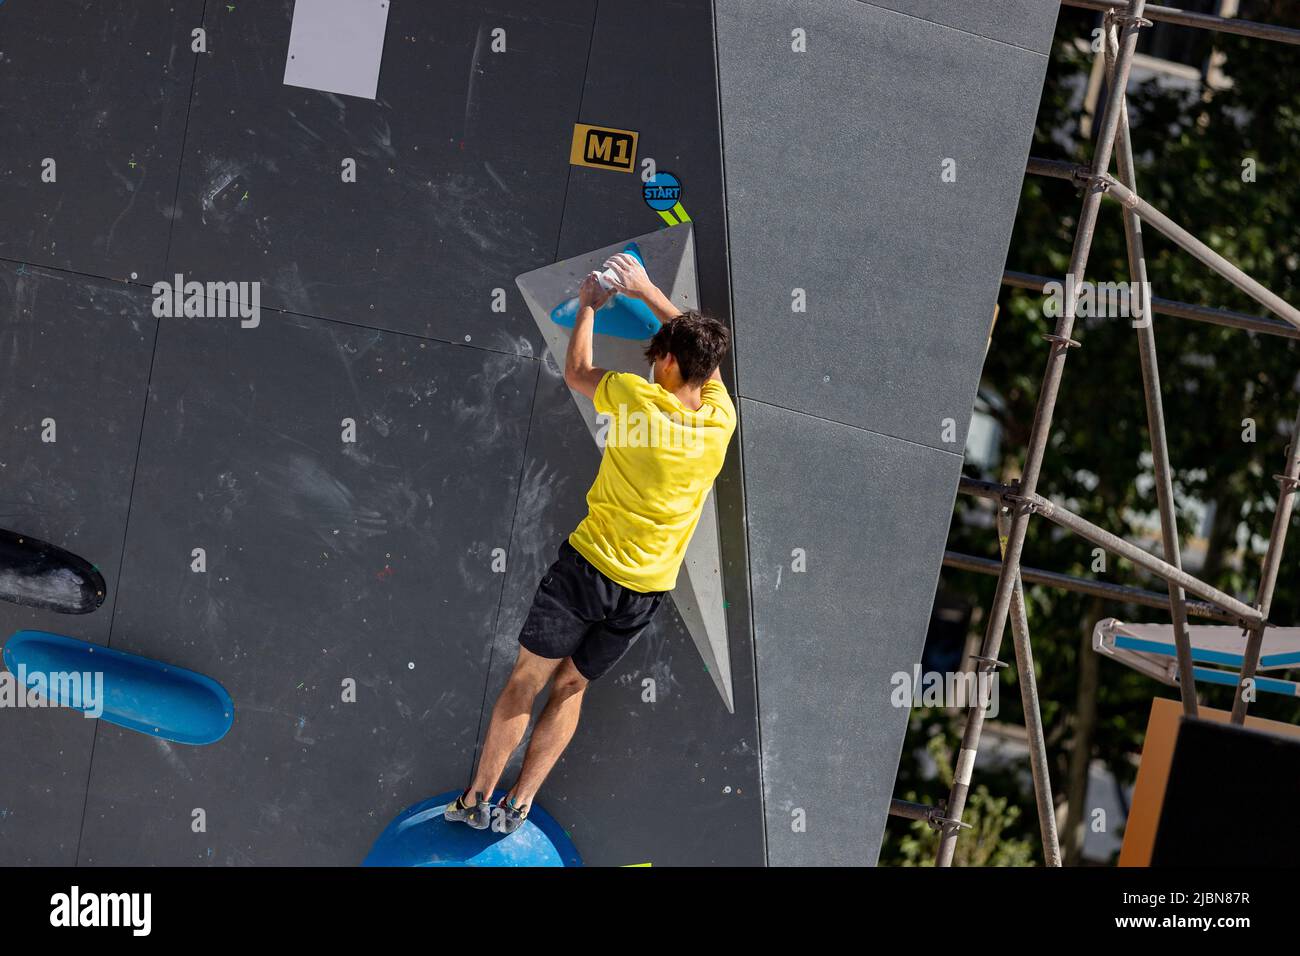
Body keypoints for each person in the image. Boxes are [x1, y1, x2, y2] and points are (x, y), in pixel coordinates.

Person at [445, 252, 737, 831]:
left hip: (589, 569)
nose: (653, 365)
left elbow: (578, 370)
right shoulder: (719, 419)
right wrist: (651, 292)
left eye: (660, 358)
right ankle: (519, 805)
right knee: (573, 684)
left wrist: (588, 306)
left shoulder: (635, 397)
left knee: (527, 679)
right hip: (646, 590)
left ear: (671, 362)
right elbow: (704, 359)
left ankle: (477, 799)